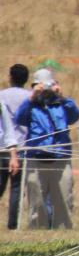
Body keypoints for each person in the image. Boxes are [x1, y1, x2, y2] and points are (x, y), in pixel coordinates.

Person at [13, 68, 79, 229]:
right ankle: (38, 229)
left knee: (64, 197)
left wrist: (62, 97)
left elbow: (75, 116)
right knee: (37, 200)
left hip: (60, 157)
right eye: (39, 86)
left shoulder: (62, 104)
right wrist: (31, 98)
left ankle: (62, 230)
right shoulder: (31, 106)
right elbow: (19, 118)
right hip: (36, 157)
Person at [1, 64, 29, 230]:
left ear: (10, 77)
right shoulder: (31, 96)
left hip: (2, 147)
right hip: (22, 147)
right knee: (17, 188)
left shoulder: (1, 96)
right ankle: (13, 224)